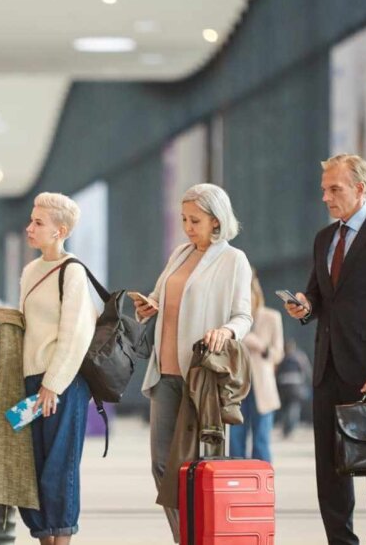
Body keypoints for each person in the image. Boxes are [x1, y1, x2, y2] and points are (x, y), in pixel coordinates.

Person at [284, 153, 366, 545]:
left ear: (360, 188)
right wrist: (305, 306)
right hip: (327, 370)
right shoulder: (324, 238)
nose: (326, 197)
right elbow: (319, 295)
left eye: (335, 189)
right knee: (330, 468)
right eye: (324, 189)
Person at [133, 183, 254, 539]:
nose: (188, 227)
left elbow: (243, 316)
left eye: (195, 220)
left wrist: (226, 332)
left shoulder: (234, 260)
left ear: (216, 221)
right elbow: (160, 297)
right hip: (165, 373)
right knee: (160, 465)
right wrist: (148, 306)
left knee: (198, 466)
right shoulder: (180, 254)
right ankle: (185, 536)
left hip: (201, 377)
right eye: (185, 219)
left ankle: (201, 536)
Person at [0, 192, 98, 545]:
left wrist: (53, 384)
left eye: (38, 223)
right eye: (31, 220)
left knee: (59, 470)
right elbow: (26, 323)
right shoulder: (31, 270)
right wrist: (0, 329)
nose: (29, 227)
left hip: (62, 384)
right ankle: (44, 538)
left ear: (59, 230)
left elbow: (75, 333)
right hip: (30, 382)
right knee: (31, 470)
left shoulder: (73, 271)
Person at [230, 269, 283, 462]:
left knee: (261, 441)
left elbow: (278, 354)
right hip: (237, 387)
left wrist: (260, 346)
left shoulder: (272, 317)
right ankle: (237, 484)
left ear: (256, 294)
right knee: (235, 441)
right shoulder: (232, 319)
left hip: (263, 388)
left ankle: (262, 486)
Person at [275, 339, 311, 438]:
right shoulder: (299, 357)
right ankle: (289, 428)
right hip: (296, 387)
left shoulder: (281, 357)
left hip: (283, 386)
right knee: (293, 408)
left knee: (287, 408)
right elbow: (306, 371)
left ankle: (286, 428)